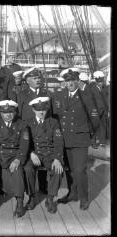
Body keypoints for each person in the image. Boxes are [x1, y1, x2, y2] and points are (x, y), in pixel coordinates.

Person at [54, 68, 100, 210]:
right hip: (66, 139)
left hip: (80, 139)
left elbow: (94, 117)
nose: (70, 83)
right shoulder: (60, 96)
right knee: (71, 170)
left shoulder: (85, 95)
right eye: (67, 81)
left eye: (73, 80)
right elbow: (57, 116)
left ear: (77, 81)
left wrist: (93, 135)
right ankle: (72, 193)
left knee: (80, 170)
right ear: (65, 82)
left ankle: (84, 197)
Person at [0, 100, 29, 217]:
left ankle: (20, 203)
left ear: (14, 112)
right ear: (0, 113)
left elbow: (24, 144)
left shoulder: (21, 125)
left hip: (13, 157)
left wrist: (18, 159)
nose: (8, 115)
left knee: (18, 173)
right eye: (5, 113)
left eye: (11, 112)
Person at [23, 97, 64, 214]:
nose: (41, 112)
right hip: (34, 154)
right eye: (38, 110)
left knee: (58, 169)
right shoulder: (28, 123)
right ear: (33, 110)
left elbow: (58, 141)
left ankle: (50, 198)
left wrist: (57, 158)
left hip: (50, 154)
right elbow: (24, 142)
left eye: (44, 110)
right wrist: (31, 153)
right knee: (27, 169)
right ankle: (31, 197)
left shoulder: (53, 122)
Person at [91, 71, 109, 145]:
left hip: (104, 111)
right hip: (96, 111)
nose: (100, 83)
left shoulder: (105, 88)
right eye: (98, 81)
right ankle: (94, 141)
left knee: (103, 125)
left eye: (101, 81)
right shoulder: (92, 89)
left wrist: (108, 111)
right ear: (96, 81)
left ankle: (102, 141)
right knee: (95, 126)